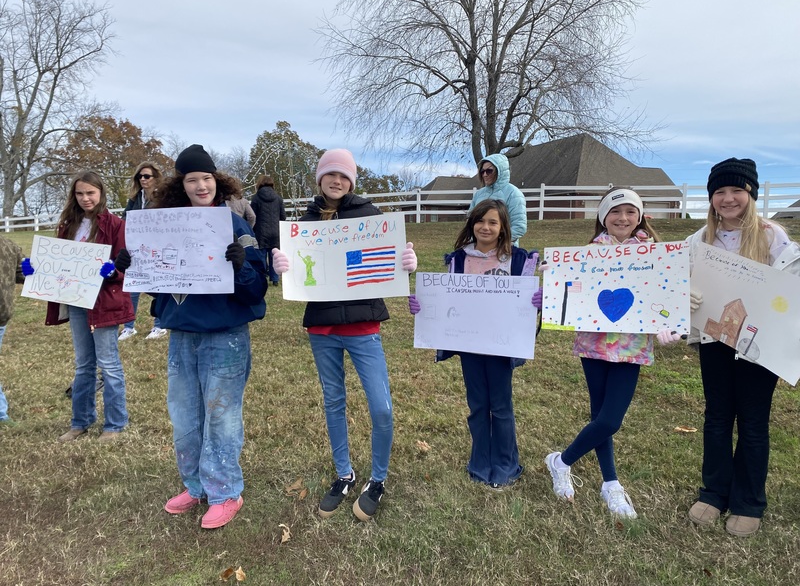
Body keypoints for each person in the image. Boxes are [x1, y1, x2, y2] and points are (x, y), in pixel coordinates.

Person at [271, 148, 417, 521]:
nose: (336, 181)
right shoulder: (303, 223)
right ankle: (344, 474)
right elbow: (294, 271)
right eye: (330, 174)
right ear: (320, 178)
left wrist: (407, 263)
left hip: (363, 325)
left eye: (344, 176)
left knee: (380, 406)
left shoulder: (369, 216)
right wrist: (280, 265)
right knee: (333, 401)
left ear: (351, 181)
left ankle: (378, 479)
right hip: (322, 327)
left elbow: (389, 258)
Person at [147, 144, 267, 530]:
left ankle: (226, 492)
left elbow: (257, 289)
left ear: (218, 181)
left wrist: (242, 266)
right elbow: (158, 288)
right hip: (182, 335)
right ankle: (196, 485)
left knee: (221, 415)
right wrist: (135, 267)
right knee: (184, 414)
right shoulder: (166, 227)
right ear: (181, 185)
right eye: (192, 180)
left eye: (207, 178)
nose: (201, 186)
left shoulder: (235, 225)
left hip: (225, 335)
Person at [681, 158, 800, 537]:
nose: (728, 198)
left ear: (751, 194)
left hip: (758, 346)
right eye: (720, 191)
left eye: (737, 190)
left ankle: (749, 501)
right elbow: (673, 281)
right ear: (710, 197)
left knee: (753, 421)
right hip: (714, 340)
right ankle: (714, 493)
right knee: (717, 417)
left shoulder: (772, 237)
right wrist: (683, 296)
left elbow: (791, 288)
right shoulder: (699, 240)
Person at [543, 187, 675, 519]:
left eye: (630, 211)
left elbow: (666, 292)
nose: (623, 218)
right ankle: (610, 483)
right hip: (594, 344)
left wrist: (670, 319)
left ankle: (561, 461)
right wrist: (555, 276)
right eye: (615, 211)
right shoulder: (590, 252)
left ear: (640, 216)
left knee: (610, 420)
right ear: (603, 217)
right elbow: (571, 290)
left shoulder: (655, 253)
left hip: (632, 346)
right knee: (600, 415)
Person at [409, 199, 538, 489]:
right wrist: (423, 306)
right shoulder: (459, 259)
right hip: (469, 344)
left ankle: (506, 464)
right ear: (472, 224)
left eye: (493, 222)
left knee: (500, 406)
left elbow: (525, 303)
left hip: (501, 345)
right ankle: (480, 462)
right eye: (480, 220)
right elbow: (446, 299)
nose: (486, 227)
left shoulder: (518, 259)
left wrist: (536, 302)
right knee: (478, 404)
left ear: (503, 227)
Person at [22, 171, 134, 442]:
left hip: (104, 302)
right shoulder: (68, 226)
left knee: (108, 364)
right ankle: (80, 421)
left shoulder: (115, 225)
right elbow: (56, 263)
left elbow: (126, 264)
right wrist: (35, 269)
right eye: (80, 193)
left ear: (101, 193)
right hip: (76, 300)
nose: (85, 198)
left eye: (90, 193)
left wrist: (114, 272)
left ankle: (115, 424)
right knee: (84, 364)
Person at [120, 162, 167, 341]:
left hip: (158, 247)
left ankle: (159, 325)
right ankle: (128, 327)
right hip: (137, 248)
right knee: (132, 286)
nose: (142, 179)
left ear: (155, 178)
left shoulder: (163, 197)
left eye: (146, 176)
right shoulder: (135, 198)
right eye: (139, 176)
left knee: (158, 285)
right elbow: (125, 218)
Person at [468, 153, 527, 244]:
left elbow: (519, 226)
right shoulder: (479, 194)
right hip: (479, 247)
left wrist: (496, 243)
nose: (485, 174)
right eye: (482, 171)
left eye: (489, 171)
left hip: (504, 248)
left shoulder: (514, 193)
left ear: (500, 171)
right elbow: (470, 221)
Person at [0, 235, 24, 423]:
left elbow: (22, 274)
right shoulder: (9, 245)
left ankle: (1, 413)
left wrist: (31, 269)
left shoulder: (9, 246)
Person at [250, 174, 285, 286]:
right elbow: (283, 216)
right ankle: (275, 279)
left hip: (261, 232)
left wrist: (253, 228)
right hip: (275, 231)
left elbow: (252, 215)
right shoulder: (278, 198)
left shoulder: (256, 198)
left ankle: (262, 276)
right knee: (274, 255)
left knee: (261, 256)